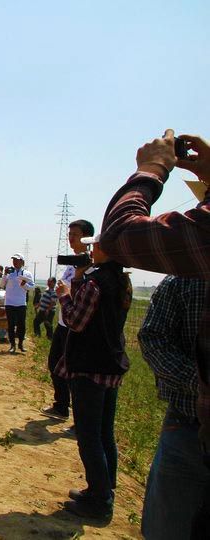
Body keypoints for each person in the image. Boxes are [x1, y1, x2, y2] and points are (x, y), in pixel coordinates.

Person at [97, 130, 209, 533]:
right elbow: (153, 336)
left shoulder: (186, 271)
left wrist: (151, 169)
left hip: (192, 427)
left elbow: (122, 233)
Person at [54, 234, 132, 521]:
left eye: (95, 245)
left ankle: (99, 501)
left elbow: (75, 321)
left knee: (88, 436)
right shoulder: (120, 281)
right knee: (104, 433)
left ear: (107, 250)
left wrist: (64, 294)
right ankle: (103, 488)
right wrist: (78, 276)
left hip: (90, 366)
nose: (90, 249)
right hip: (110, 364)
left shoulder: (95, 284)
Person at [138, 276, 210, 539]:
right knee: (168, 526)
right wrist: (201, 382)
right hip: (188, 427)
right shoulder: (184, 280)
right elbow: (152, 339)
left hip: (184, 427)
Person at [41, 219, 94, 421]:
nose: (70, 238)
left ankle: (79, 416)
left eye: (75, 235)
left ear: (87, 238)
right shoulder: (73, 263)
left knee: (75, 371)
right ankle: (61, 406)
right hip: (64, 324)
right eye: (69, 234)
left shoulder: (90, 264)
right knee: (55, 364)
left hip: (78, 327)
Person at [0, 253, 34, 353]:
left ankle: (21, 344)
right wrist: (4, 274)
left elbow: (32, 287)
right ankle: (12, 345)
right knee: (11, 325)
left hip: (21, 303)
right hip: (9, 302)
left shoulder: (27, 274)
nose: (14, 262)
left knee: (21, 325)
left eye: (17, 260)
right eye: (13, 260)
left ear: (22, 262)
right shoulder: (9, 273)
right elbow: (2, 285)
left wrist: (25, 285)